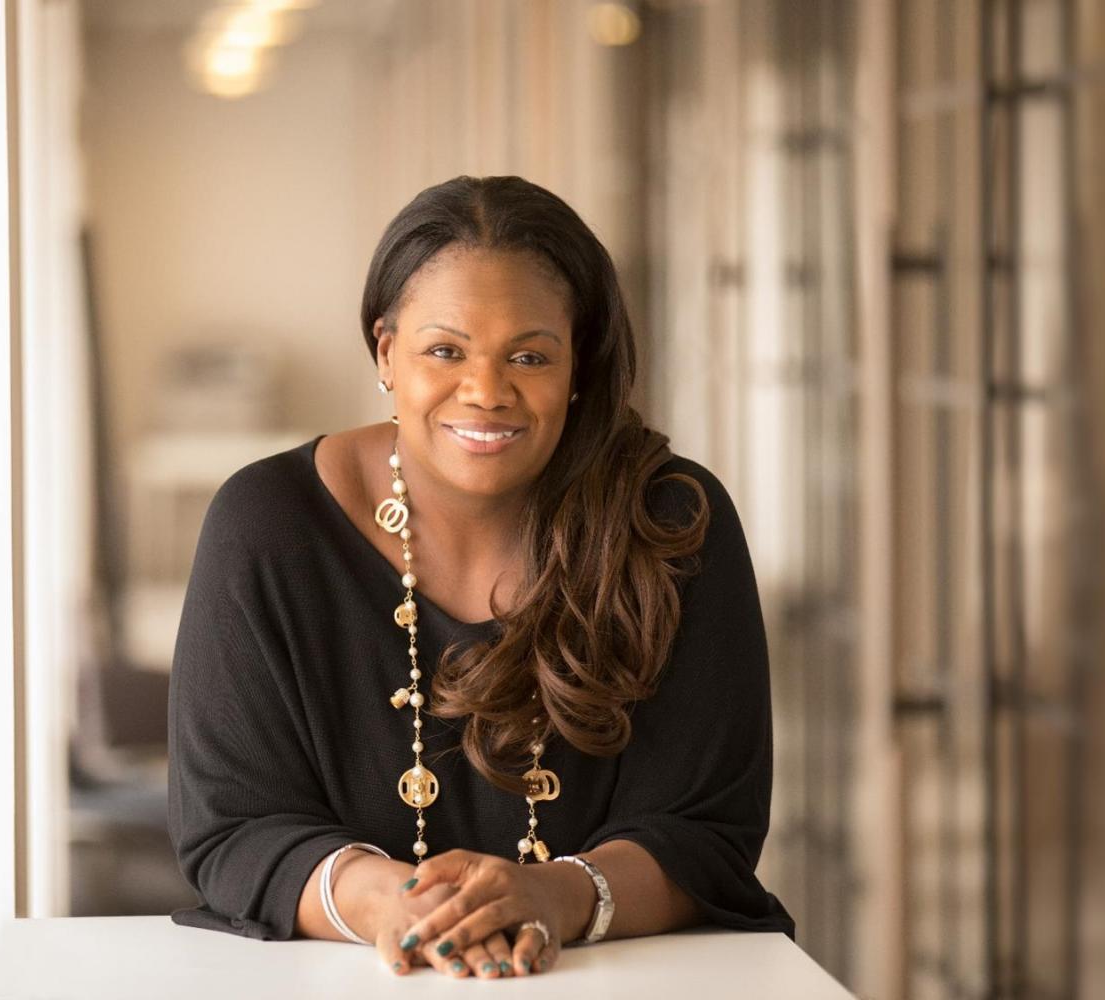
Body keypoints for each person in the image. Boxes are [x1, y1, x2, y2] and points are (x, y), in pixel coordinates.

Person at [166, 175, 793, 979]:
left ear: (578, 363)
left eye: (529, 355)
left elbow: (708, 830)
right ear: (385, 350)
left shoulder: (669, 524)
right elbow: (232, 825)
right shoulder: (267, 525)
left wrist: (553, 897)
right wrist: (396, 904)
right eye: (445, 350)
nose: (487, 392)